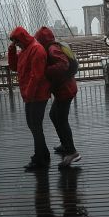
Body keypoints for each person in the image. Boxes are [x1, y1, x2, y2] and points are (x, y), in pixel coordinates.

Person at [33, 26, 81, 167]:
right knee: (54, 115)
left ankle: (72, 152)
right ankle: (65, 144)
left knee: (61, 119)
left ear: (41, 40)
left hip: (65, 91)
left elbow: (63, 64)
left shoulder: (52, 49)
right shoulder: (54, 46)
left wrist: (45, 71)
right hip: (65, 89)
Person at [8, 26, 51, 170]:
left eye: (17, 42)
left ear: (22, 38)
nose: (17, 45)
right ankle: (43, 154)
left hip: (37, 95)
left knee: (35, 126)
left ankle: (40, 159)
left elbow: (36, 76)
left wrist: (28, 94)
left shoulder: (36, 49)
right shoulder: (25, 50)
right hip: (31, 95)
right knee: (34, 126)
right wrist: (12, 51)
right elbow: (14, 67)